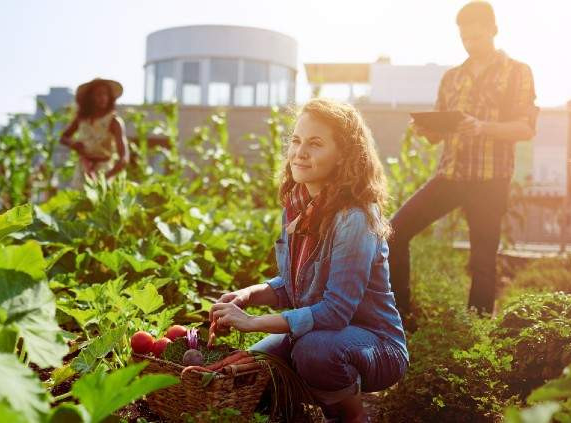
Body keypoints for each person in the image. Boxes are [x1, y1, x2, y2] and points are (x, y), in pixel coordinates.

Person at [210, 98, 408, 422]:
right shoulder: (298, 208)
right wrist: (248, 295)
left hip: (377, 345)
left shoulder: (354, 218)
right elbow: (292, 287)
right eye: (297, 141)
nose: (300, 152)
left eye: (315, 144)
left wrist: (252, 323)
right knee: (255, 367)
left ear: (344, 155)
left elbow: (334, 312)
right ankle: (303, 406)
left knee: (313, 352)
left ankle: (352, 416)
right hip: (322, 333)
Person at [388, 1, 538, 319]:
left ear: (493, 31)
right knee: (394, 231)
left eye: (477, 38)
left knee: (483, 260)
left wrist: (483, 127)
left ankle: (477, 328)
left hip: (490, 179)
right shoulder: (452, 78)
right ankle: (399, 314)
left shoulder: (517, 72)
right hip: (451, 175)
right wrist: (424, 130)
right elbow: (439, 135)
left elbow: (525, 128)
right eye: (464, 39)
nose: (470, 44)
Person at [59, 78, 129, 187]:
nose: (103, 98)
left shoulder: (114, 122)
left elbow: (124, 159)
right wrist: (73, 144)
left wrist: (106, 177)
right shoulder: (81, 119)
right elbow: (63, 137)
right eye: (98, 94)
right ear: (90, 98)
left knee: (99, 202)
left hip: (104, 170)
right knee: (78, 200)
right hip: (83, 168)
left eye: (105, 94)